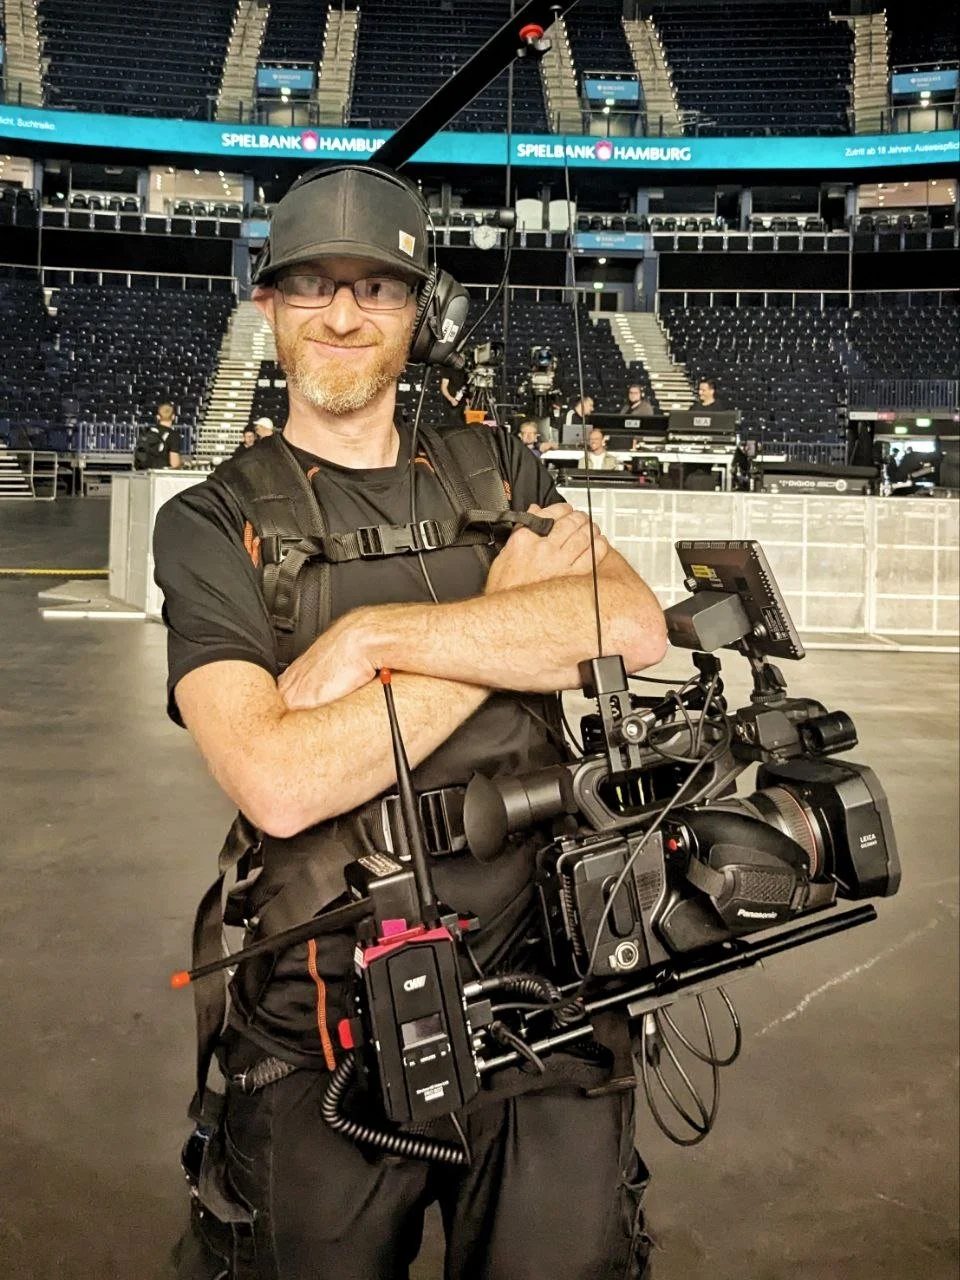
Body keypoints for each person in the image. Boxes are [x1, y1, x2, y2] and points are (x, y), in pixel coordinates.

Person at [154, 163, 665, 1280]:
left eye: (376, 288)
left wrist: (376, 638)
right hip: (324, 1017)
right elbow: (277, 778)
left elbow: (631, 622)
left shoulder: (497, 463)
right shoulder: (209, 524)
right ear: (268, 303)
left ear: (418, 310)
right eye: (313, 287)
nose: (343, 314)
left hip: (549, 994)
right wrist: (501, 623)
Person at [133, 403, 182, 470]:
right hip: (161, 474)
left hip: (143, 472)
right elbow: (174, 464)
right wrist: (182, 463)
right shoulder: (173, 435)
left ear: (158, 417)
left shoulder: (147, 431)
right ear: (173, 417)